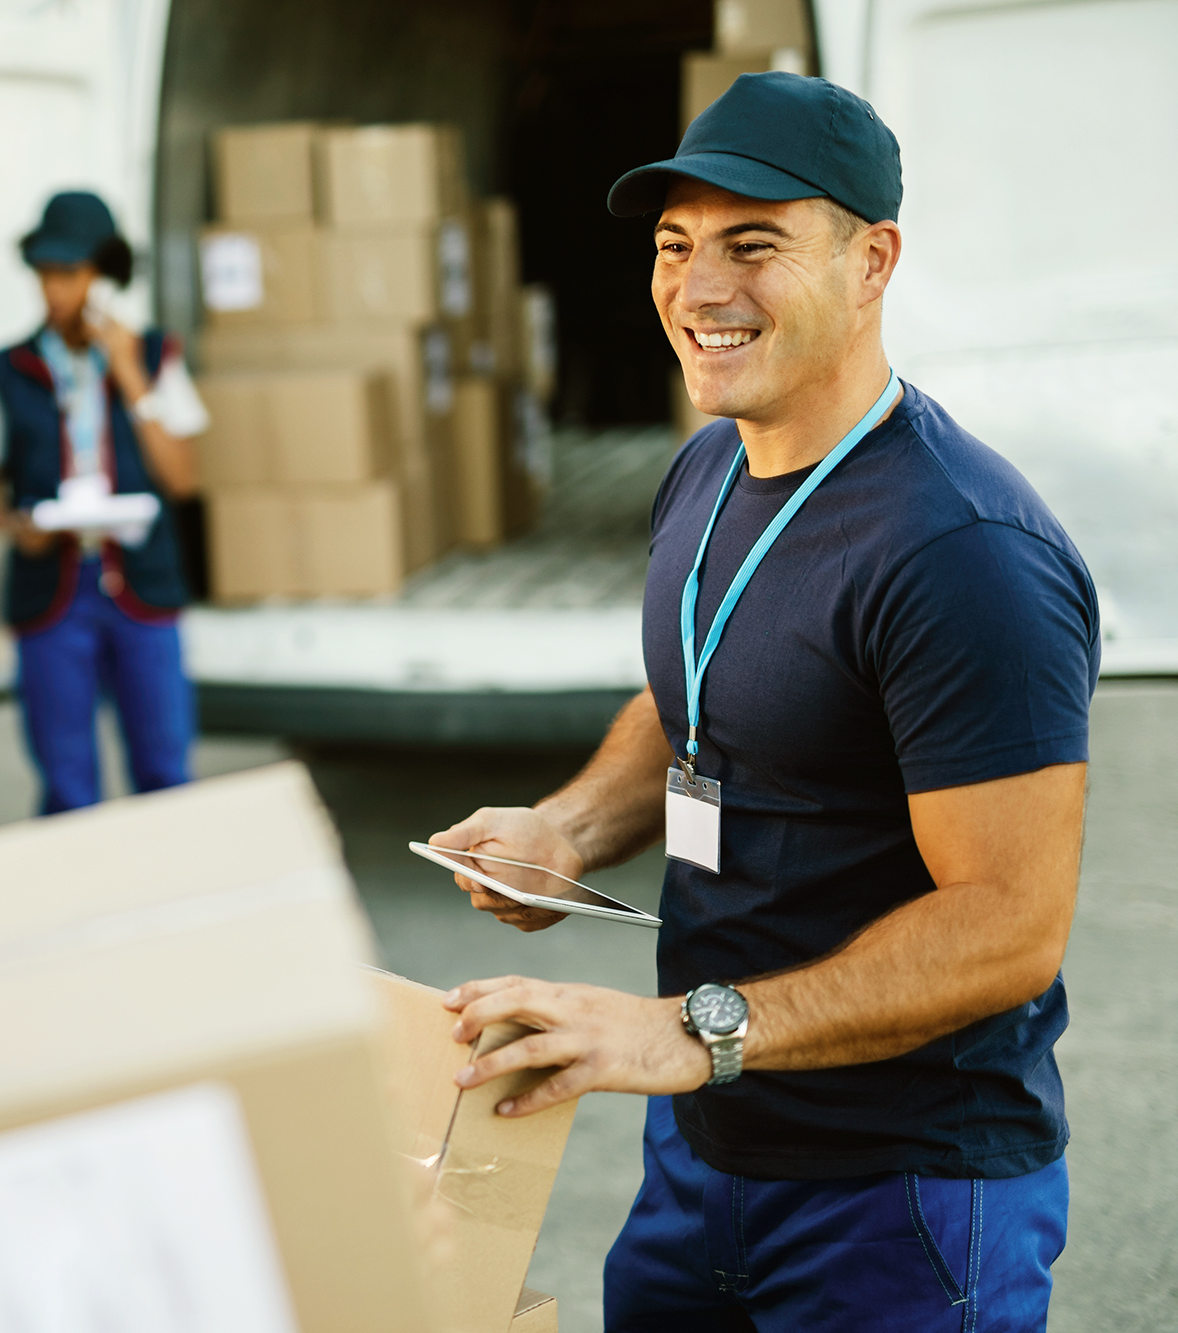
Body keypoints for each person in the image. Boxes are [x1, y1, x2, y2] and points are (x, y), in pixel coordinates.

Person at [430, 73, 1096, 1330]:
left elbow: (1009, 926)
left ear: (870, 261)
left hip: (899, 1190)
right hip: (707, 1154)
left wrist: (690, 1031)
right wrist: (568, 831)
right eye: (675, 247)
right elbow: (701, 694)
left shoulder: (960, 551)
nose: (697, 289)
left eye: (754, 244)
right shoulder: (706, 467)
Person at [0, 190, 209, 814]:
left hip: (142, 585)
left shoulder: (153, 357)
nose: (55, 291)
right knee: (66, 781)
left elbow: (184, 479)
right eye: (45, 275)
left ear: (103, 278)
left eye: (70, 274)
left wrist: (129, 374)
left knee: (165, 767)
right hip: (53, 592)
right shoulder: (2, 370)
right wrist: (14, 527)